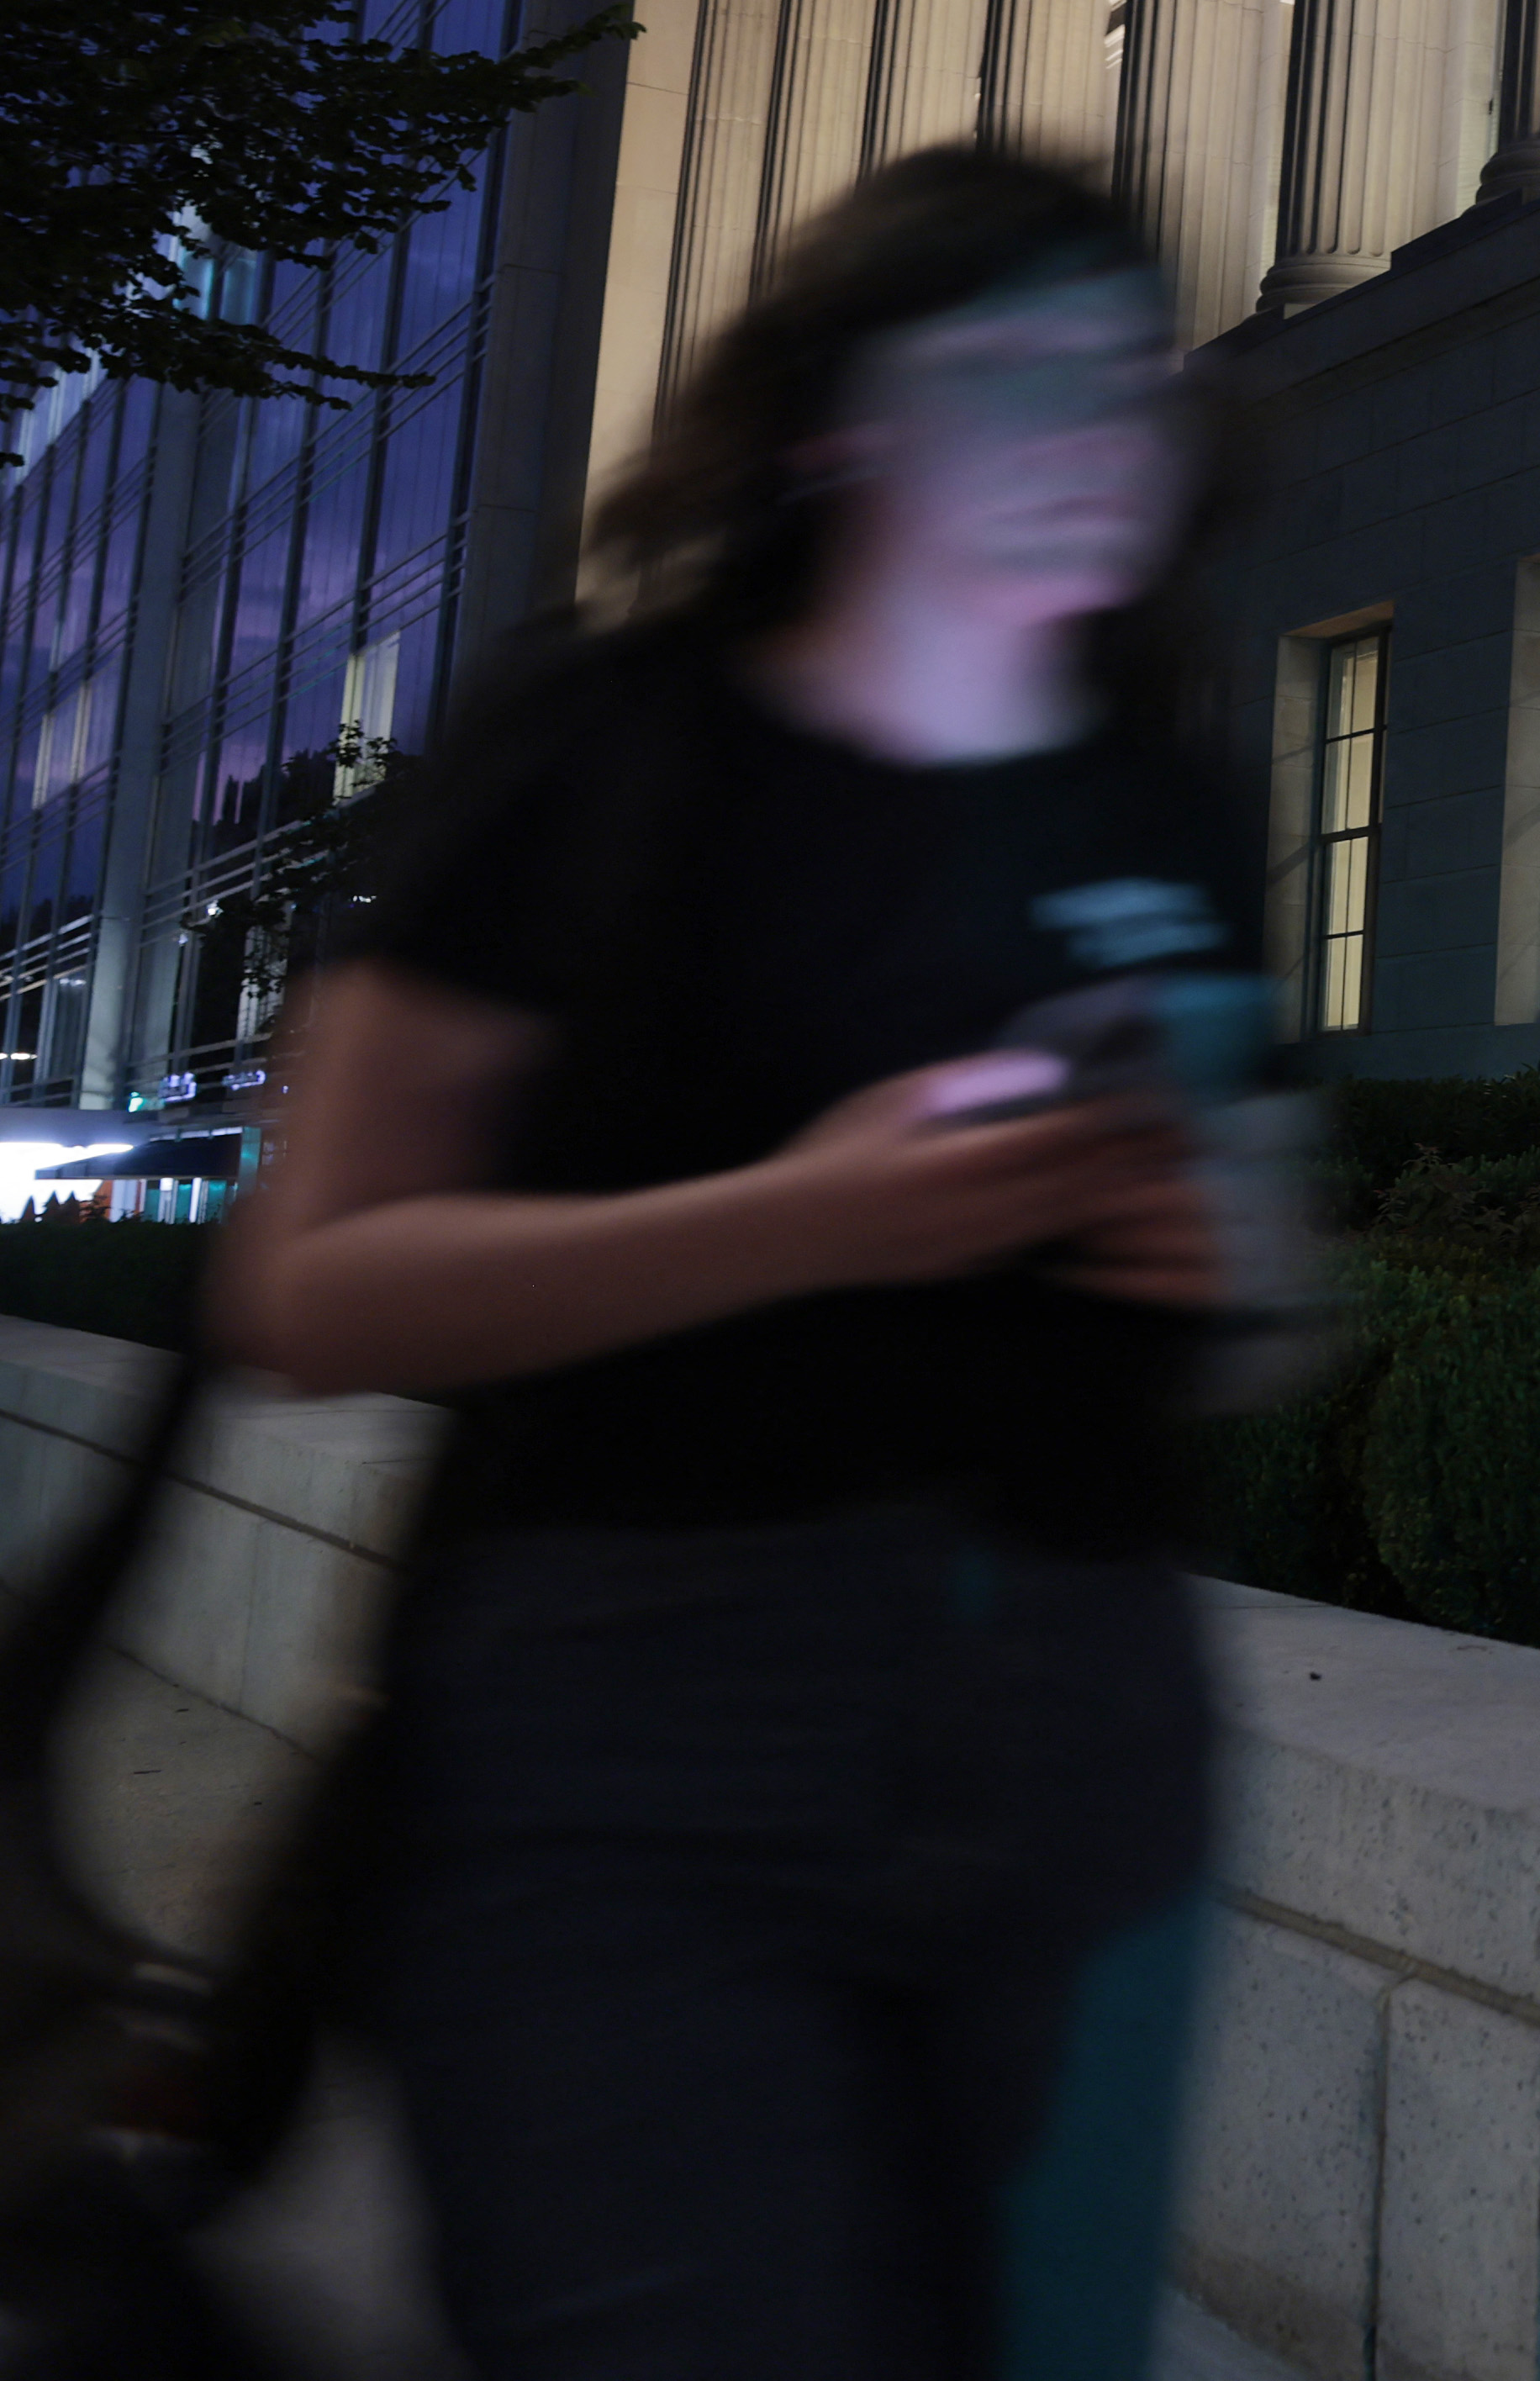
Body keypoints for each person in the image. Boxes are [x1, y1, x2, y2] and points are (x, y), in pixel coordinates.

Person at [215, 151, 1261, 2381]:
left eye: (1127, 380)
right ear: (834, 423)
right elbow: (309, 1291)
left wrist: (1210, 1261)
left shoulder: (1164, 802)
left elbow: (1249, 1314)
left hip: (1086, 1717)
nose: (1094, 431)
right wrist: (811, 1216)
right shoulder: (604, 745)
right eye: (1015, 374)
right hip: (641, 1730)